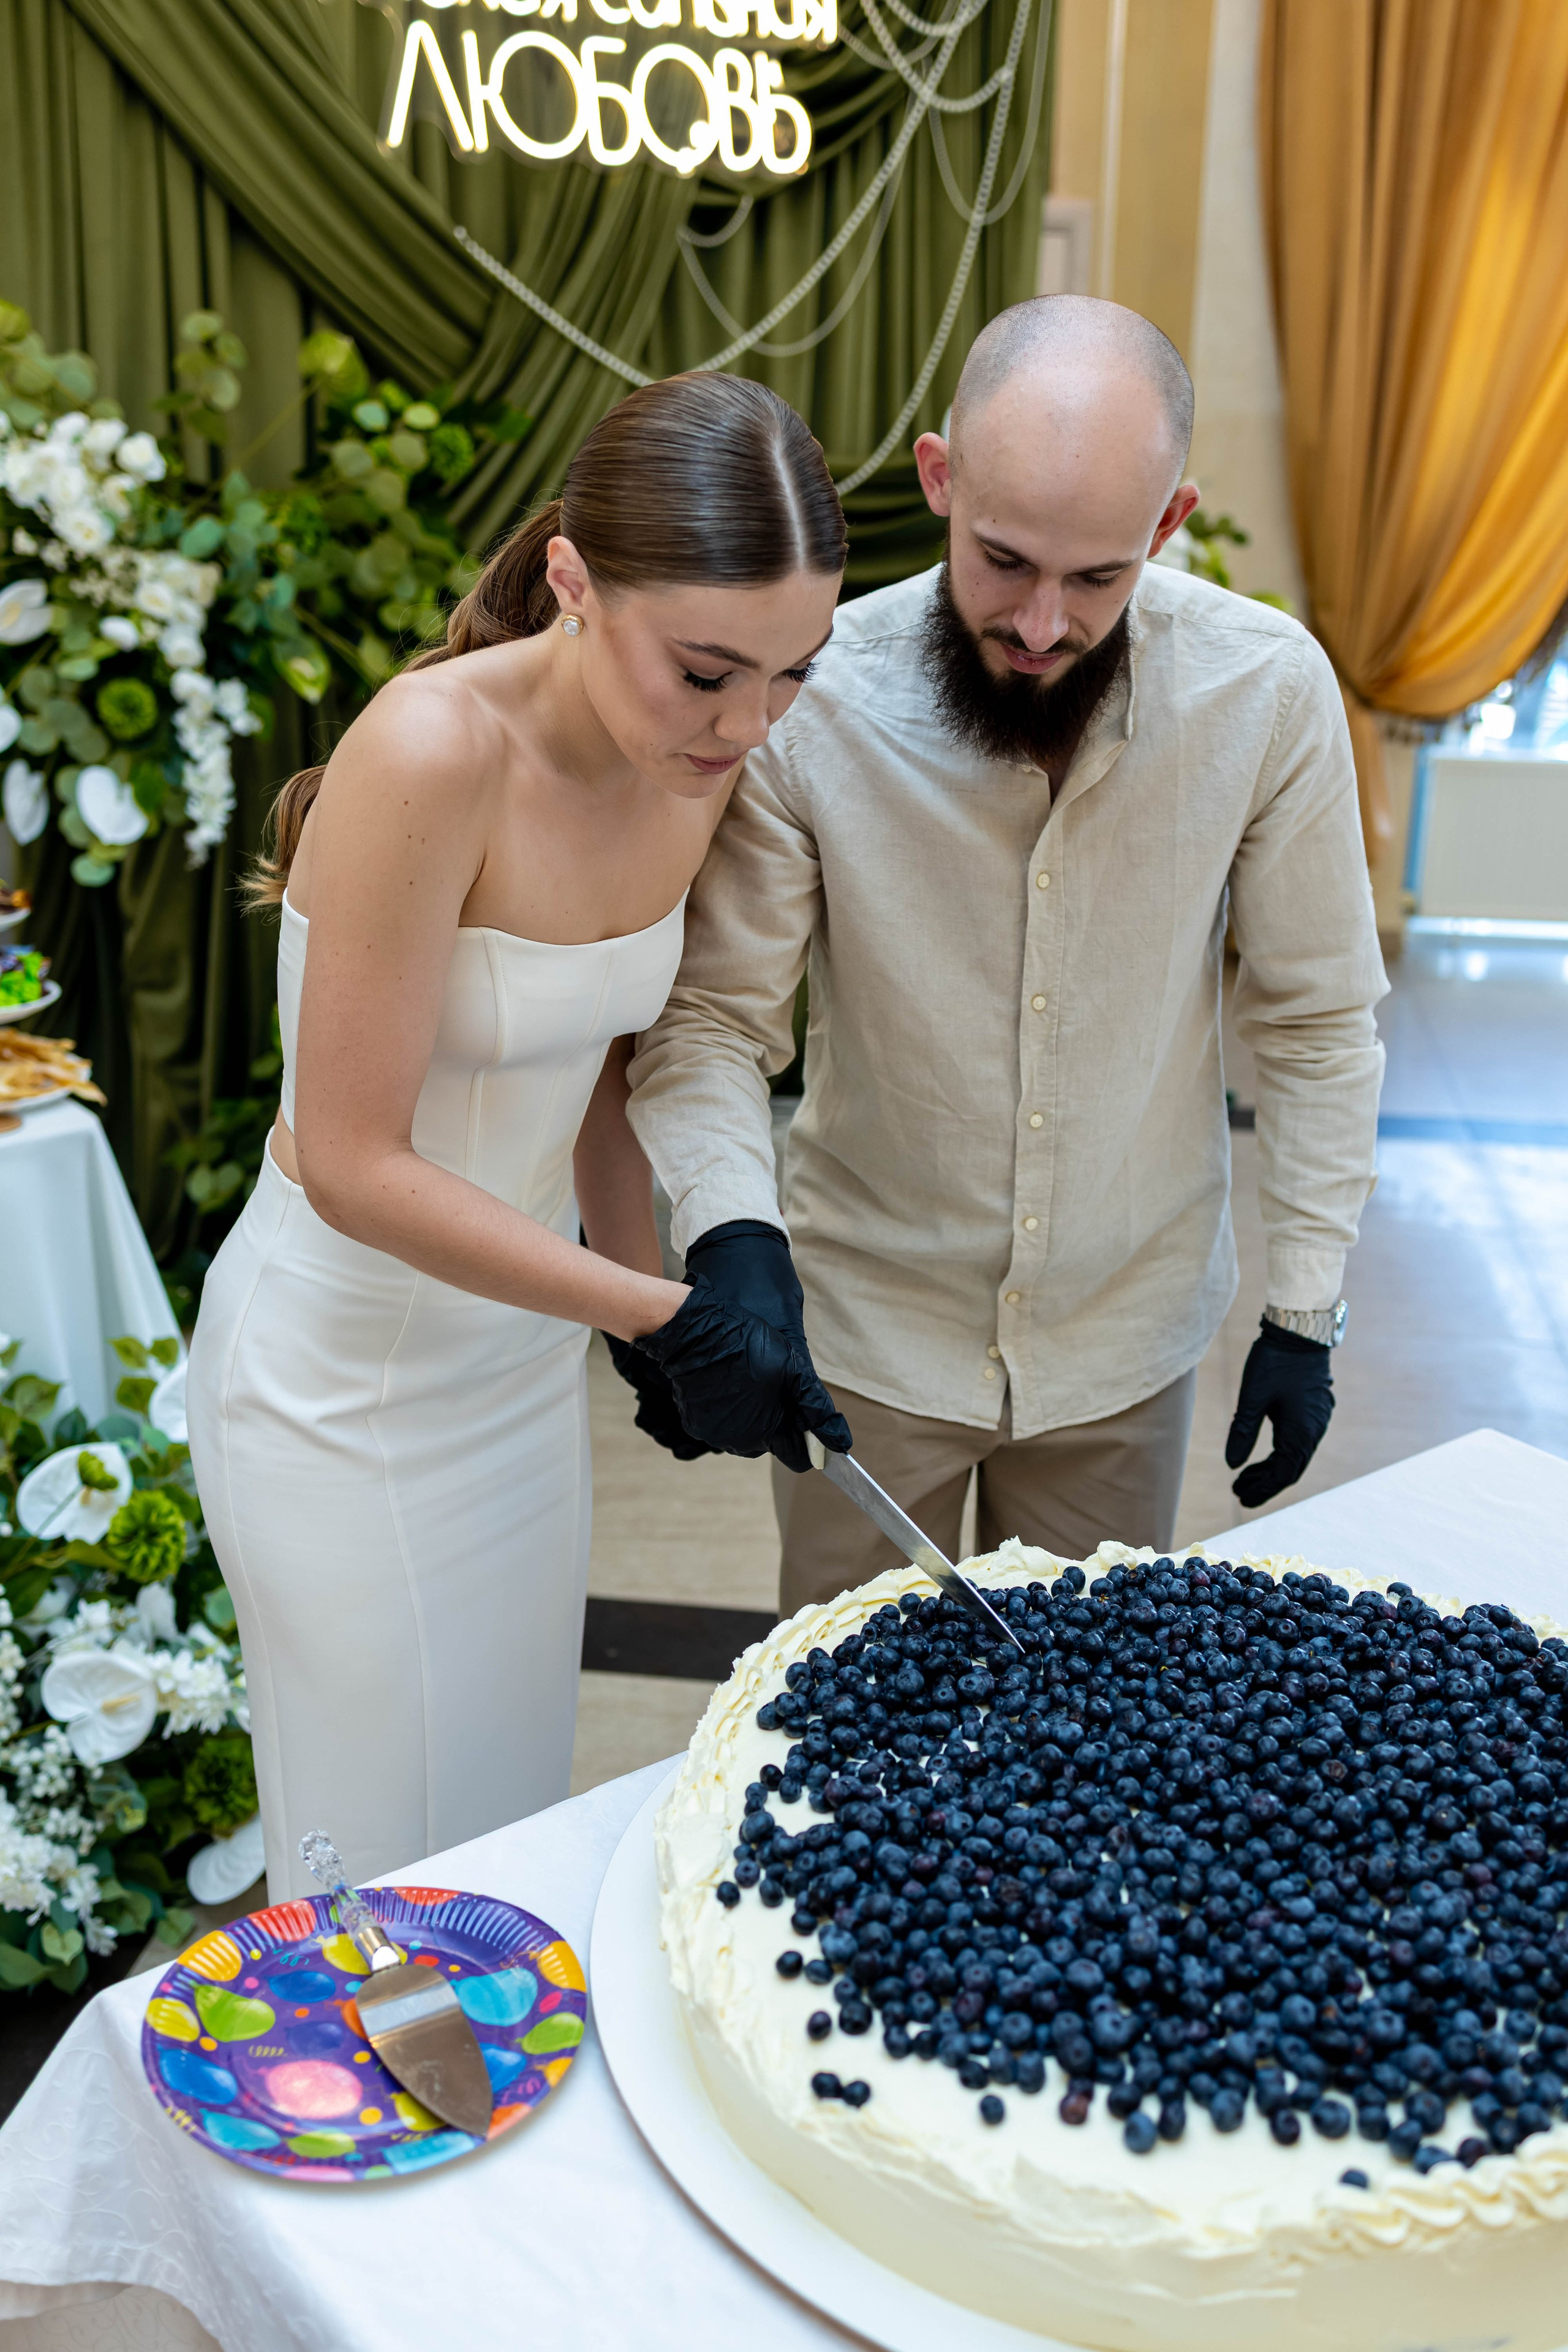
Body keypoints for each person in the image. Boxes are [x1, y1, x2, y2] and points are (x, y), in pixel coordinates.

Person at [185, 374, 850, 1900]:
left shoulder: (689, 761)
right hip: (336, 1394)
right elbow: (348, 1161)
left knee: (499, 1836)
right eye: (706, 671)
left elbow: (600, 1072)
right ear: (573, 583)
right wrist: (663, 1313)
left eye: (792, 674)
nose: (747, 725)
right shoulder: (430, 750)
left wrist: (638, 1306)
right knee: (369, 1881)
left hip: (509, 1380)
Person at [624, 297, 1387, 1615]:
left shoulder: (1264, 695)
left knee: (1080, 1760)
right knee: (850, 1747)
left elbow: (1316, 1021)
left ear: (1165, 523)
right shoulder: (815, 705)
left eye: (1095, 578)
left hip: (1122, 1345)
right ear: (938, 479)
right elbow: (708, 1026)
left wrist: (1301, 1314)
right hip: (864, 1337)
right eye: (1002, 561)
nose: (1039, 625)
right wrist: (727, 1238)